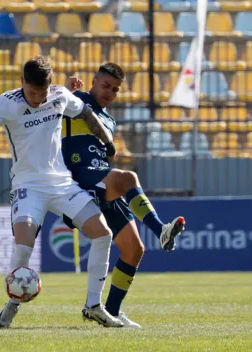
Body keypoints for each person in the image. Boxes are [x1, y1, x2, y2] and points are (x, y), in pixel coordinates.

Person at [0, 56, 124, 328]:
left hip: (61, 184)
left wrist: (107, 140)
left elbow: (86, 114)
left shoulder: (59, 95)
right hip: (27, 186)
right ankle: (13, 303)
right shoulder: (7, 101)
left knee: (103, 234)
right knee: (23, 247)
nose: (37, 98)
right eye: (32, 92)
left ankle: (94, 305)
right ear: (22, 82)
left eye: (42, 93)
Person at [62, 63, 186, 328]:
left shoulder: (110, 121)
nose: (109, 92)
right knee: (128, 177)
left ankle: (112, 313)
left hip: (103, 180)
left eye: (115, 89)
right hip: (80, 178)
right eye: (106, 86)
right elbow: (48, 105)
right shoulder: (77, 101)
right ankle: (161, 229)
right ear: (93, 81)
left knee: (134, 250)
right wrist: (65, 88)